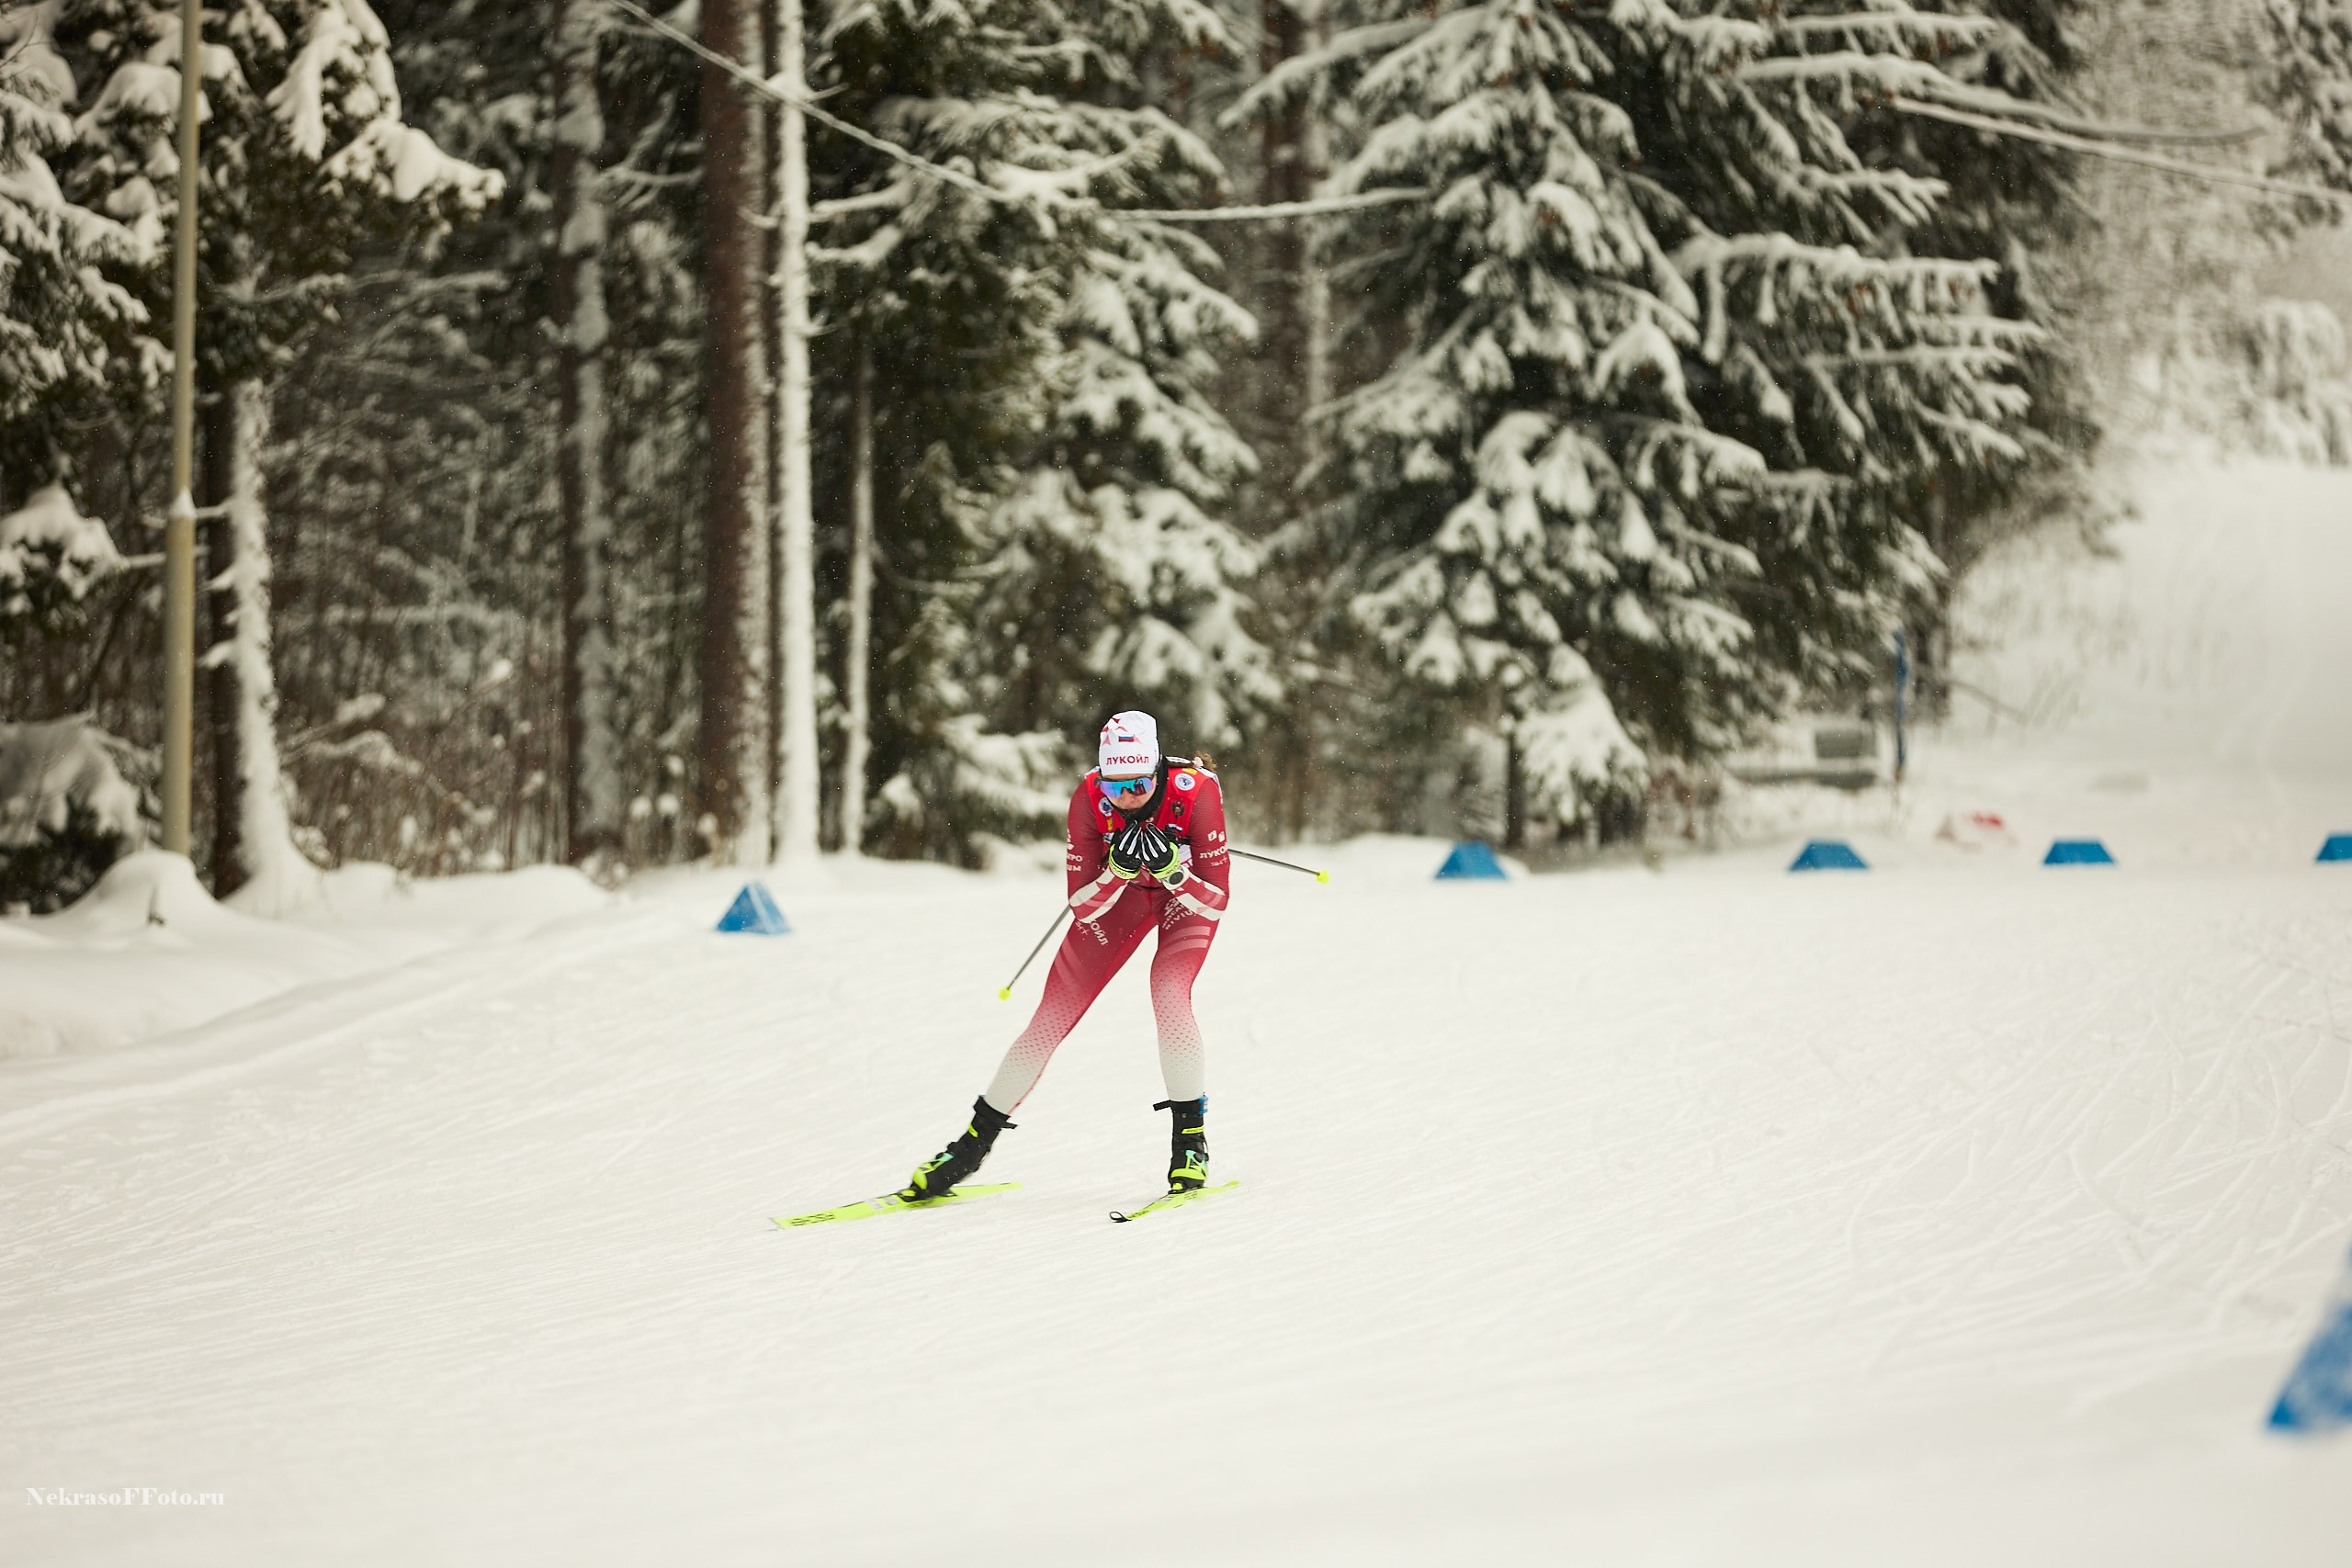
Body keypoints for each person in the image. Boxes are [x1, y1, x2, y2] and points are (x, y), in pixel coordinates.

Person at [899, 709, 1231, 1201]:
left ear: (1159, 769)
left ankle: (1190, 1145)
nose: (1129, 798)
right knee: (1049, 1016)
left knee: (1168, 992)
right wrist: (1118, 870)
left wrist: (1174, 873)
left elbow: (1217, 899)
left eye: (1139, 784)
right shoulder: (1090, 797)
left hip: (1184, 902)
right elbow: (1080, 905)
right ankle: (970, 1146)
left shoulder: (1195, 792)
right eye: (1116, 787)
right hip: (1120, 900)